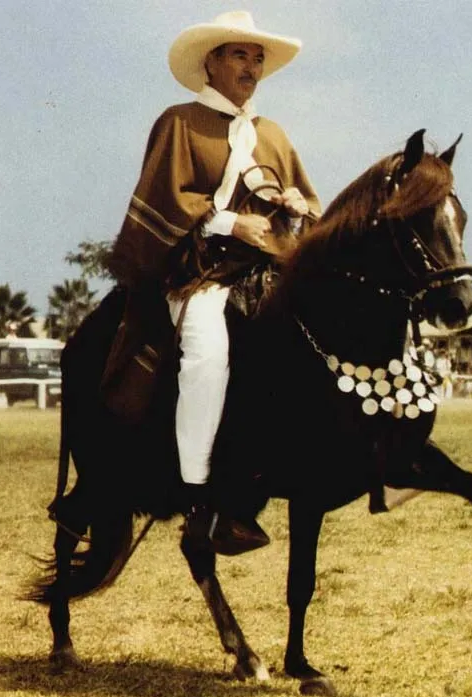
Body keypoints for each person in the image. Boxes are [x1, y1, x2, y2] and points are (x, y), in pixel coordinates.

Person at [108, 11, 321, 554]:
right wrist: (229, 221)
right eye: (238, 55)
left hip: (265, 270)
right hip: (199, 272)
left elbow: (307, 201)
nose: (250, 67)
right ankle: (200, 497)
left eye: (256, 58)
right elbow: (165, 200)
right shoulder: (179, 121)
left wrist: (296, 207)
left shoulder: (272, 134)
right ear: (210, 62)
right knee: (207, 350)